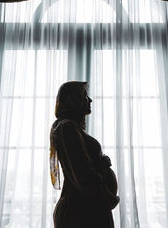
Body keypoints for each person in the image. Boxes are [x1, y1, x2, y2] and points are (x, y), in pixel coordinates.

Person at [49, 81, 120, 228]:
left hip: (87, 210)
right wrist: (108, 199)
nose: (90, 100)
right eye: (84, 96)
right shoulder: (67, 127)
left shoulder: (70, 127)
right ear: (72, 99)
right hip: (80, 213)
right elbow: (83, 174)